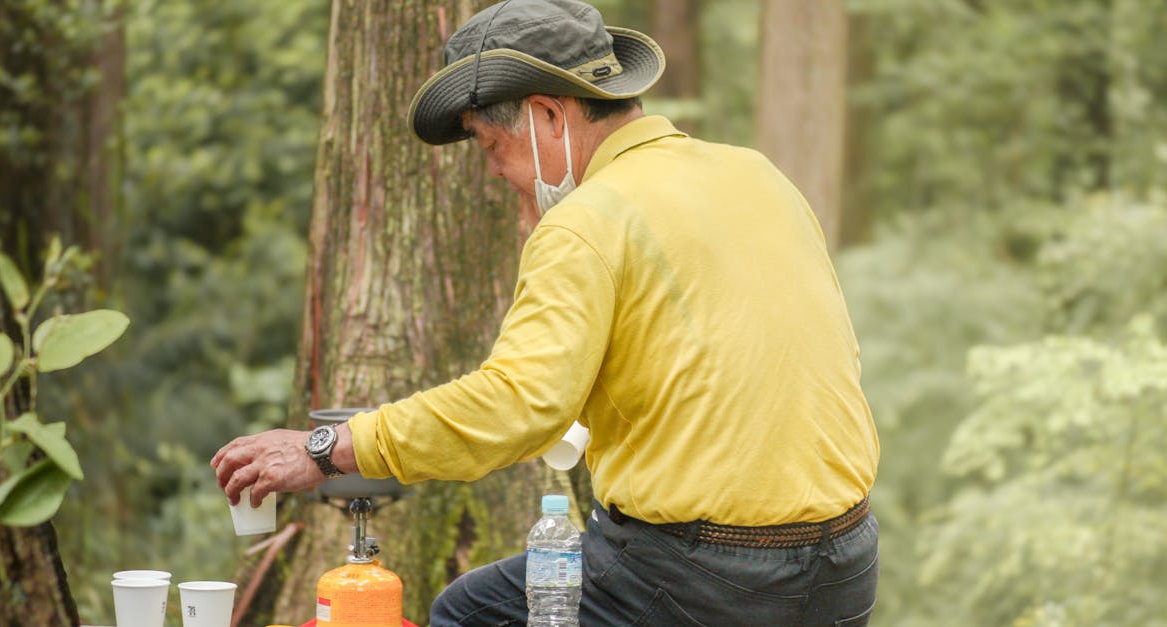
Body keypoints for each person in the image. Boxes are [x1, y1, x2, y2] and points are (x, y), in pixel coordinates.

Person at [211, 0, 880, 624]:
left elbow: (516, 406)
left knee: (470, 610)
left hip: (702, 577)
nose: (496, 174)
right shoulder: (757, 174)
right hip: (846, 563)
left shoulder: (590, 220)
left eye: (488, 146)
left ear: (549, 118)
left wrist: (328, 448)